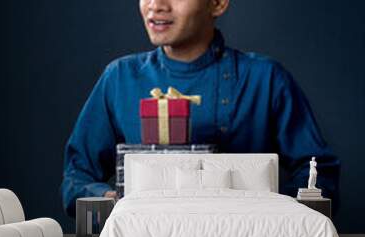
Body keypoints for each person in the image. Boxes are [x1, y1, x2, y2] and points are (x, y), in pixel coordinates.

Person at [61, 0, 340, 217]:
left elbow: (320, 172)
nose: (156, 5)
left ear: (217, 3)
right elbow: (76, 179)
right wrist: (118, 203)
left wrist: (271, 210)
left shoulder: (265, 78)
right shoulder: (120, 77)